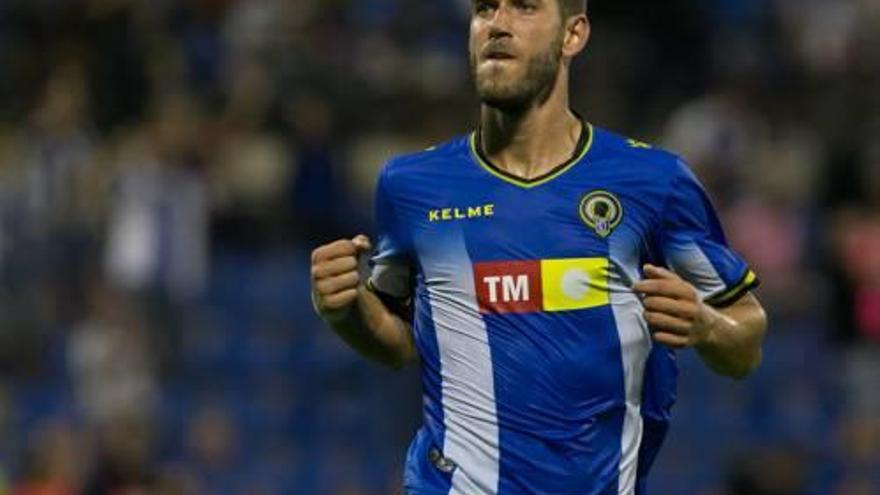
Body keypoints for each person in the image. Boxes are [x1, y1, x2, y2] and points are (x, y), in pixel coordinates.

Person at [310, 0, 768, 493]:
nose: (498, 25)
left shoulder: (654, 182)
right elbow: (399, 341)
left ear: (573, 35)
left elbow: (745, 344)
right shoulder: (411, 185)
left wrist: (706, 326)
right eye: (485, 9)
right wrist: (346, 310)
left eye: (524, 8)